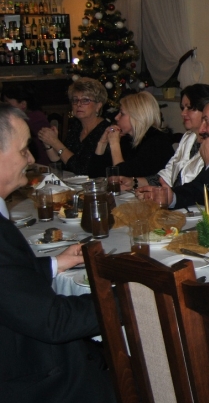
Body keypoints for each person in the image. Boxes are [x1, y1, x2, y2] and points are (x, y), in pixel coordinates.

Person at [0, 103, 116, 402]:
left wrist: (55, 264)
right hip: (35, 381)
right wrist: (127, 298)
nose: (31, 158)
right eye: (23, 150)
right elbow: (54, 321)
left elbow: (10, 284)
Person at [119, 84, 209, 191]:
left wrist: (170, 196)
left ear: (206, 110)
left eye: (189, 108)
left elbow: (198, 189)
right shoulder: (188, 138)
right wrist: (134, 182)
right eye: (182, 108)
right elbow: (167, 175)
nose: (183, 113)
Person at [89, 91, 174, 178]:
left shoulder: (157, 143)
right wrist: (102, 143)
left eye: (122, 114)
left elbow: (123, 179)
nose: (116, 117)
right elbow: (95, 175)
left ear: (137, 117)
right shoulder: (127, 139)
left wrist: (114, 144)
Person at [37, 77, 110, 175]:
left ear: (98, 105)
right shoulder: (76, 128)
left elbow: (83, 170)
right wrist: (48, 143)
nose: (78, 104)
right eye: (75, 100)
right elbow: (61, 161)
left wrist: (55, 142)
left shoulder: (105, 131)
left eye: (85, 100)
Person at [1, 83, 50, 165]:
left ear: (23, 105)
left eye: (8, 104)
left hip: (39, 165)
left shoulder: (35, 119)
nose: (6, 108)